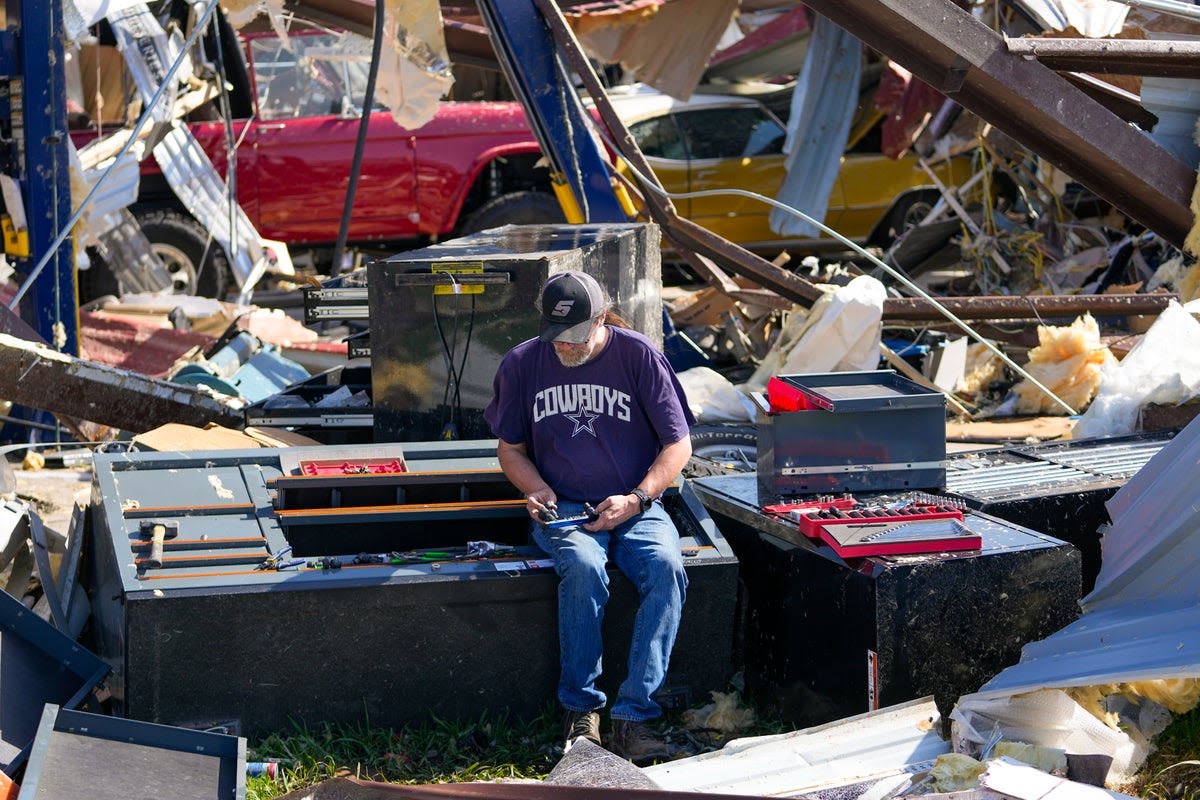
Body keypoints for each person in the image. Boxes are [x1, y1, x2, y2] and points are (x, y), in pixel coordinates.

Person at [483, 270, 695, 765]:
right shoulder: (522, 362)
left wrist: (639, 497)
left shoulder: (639, 356)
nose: (564, 348)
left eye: (575, 337)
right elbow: (510, 448)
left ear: (601, 319)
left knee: (668, 568)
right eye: (555, 337)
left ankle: (633, 717)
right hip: (567, 508)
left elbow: (678, 444)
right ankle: (581, 714)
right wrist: (534, 488)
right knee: (582, 567)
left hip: (636, 502)